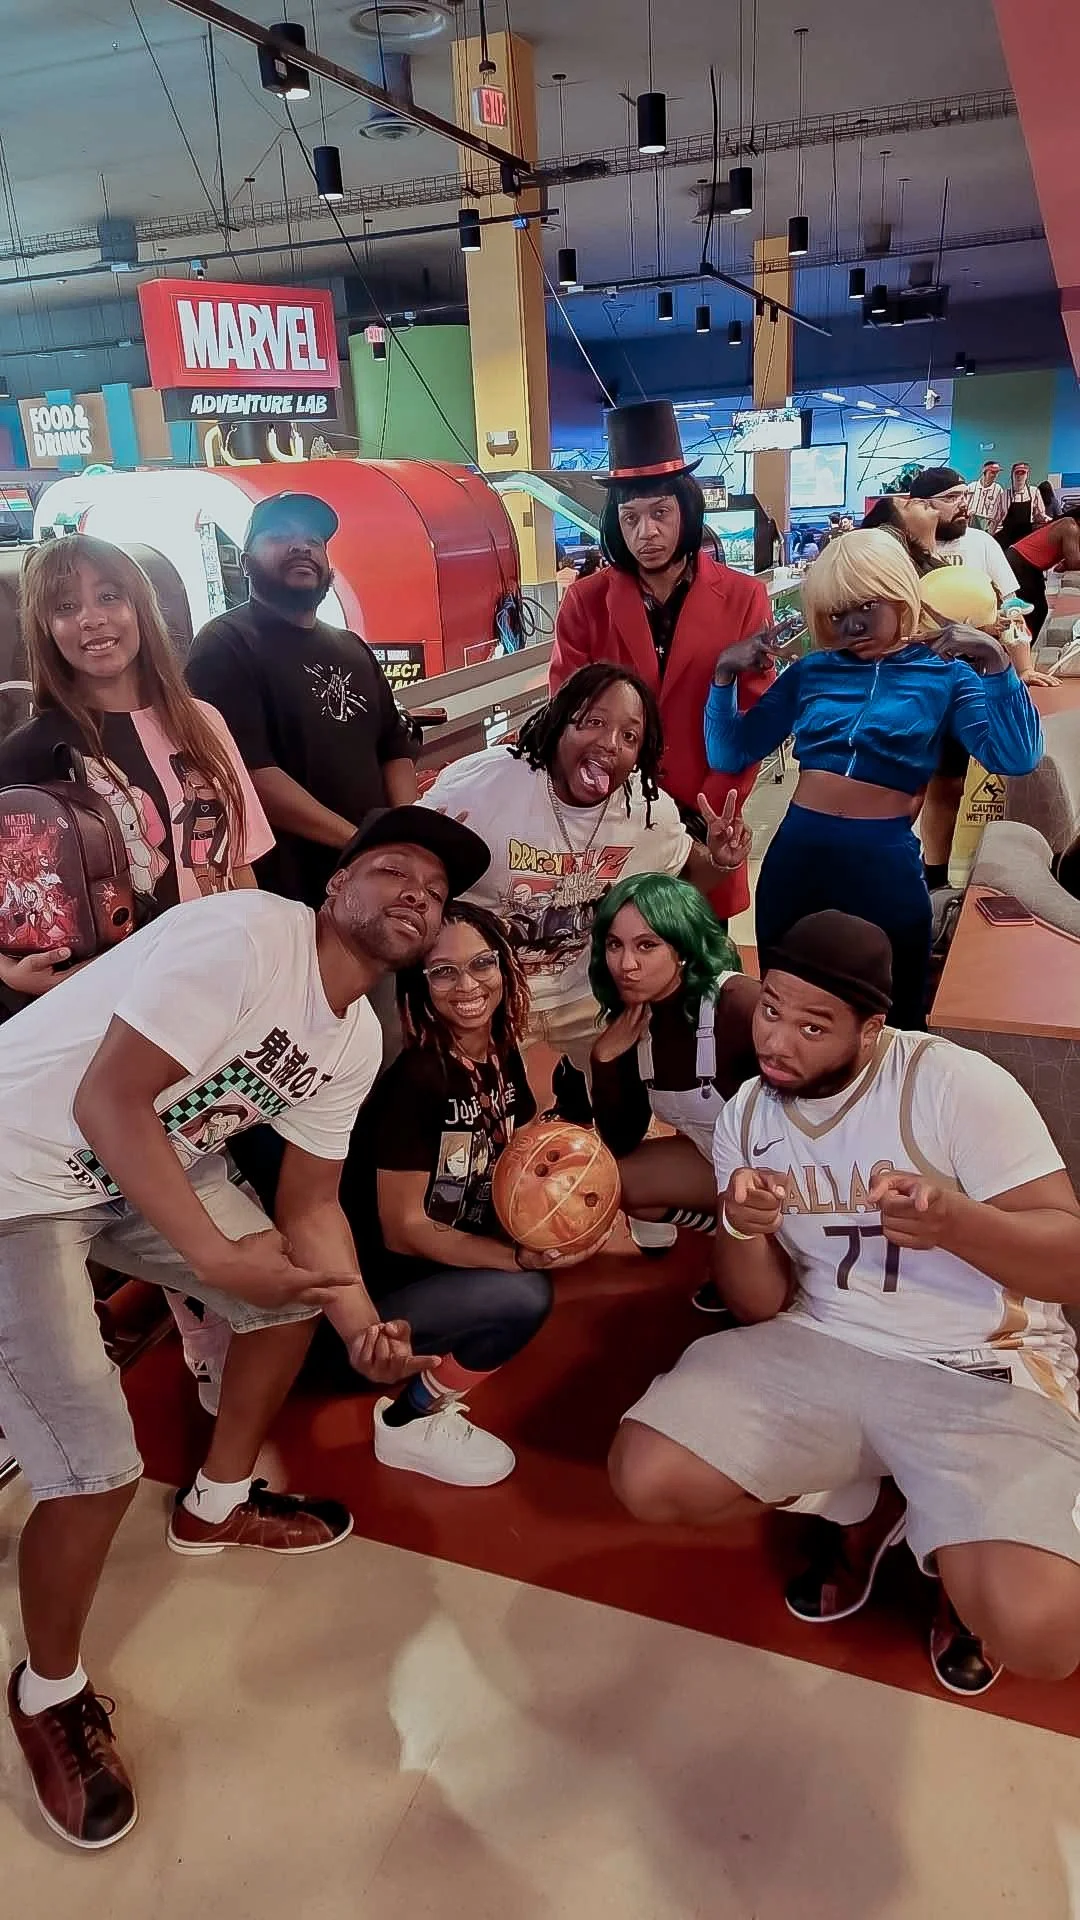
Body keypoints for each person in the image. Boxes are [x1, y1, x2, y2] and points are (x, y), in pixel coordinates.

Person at [0, 803, 489, 1849]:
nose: (418, 895)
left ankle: (215, 1508)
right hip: (21, 1173)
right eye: (395, 869)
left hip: (140, 1169)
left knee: (289, 1300)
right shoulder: (248, 936)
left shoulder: (353, 1038)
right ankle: (47, 1694)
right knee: (94, 1468)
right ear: (336, 882)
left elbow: (313, 1214)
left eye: (438, 894)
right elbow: (109, 1102)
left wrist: (362, 1329)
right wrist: (223, 1260)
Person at [610, 909, 1080, 1695]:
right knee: (648, 1475)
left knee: (1041, 1634)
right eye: (770, 1010)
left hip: (980, 1365)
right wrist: (740, 1224)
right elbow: (758, 1306)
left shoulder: (951, 1084)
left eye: (813, 1025)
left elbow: (1069, 1263)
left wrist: (955, 1222)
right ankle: (860, 1509)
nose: (777, 1043)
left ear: (871, 1028)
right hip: (823, 1342)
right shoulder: (748, 1116)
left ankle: (949, 1550)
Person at [704, 530, 1043, 1028]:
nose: (852, 625)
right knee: (784, 1005)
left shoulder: (945, 675)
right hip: (797, 853)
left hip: (881, 859)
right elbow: (729, 750)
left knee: (896, 1010)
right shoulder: (813, 670)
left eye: (866, 604)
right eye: (836, 613)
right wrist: (723, 677)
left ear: (898, 592)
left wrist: (996, 664)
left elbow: (1017, 757)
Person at [422, 662, 751, 1071]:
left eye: (630, 736)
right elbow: (409, 861)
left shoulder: (647, 812)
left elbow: (683, 875)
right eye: (594, 721)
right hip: (489, 994)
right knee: (475, 1124)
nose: (611, 742)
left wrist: (720, 860)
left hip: (588, 992)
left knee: (629, 1112)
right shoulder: (481, 788)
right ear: (560, 722)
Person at [0, 535, 272, 1013]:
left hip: (225, 983)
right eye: (66, 606)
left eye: (109, 596)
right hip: (111, 1007)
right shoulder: (29, 753)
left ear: (140, 607)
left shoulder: (204, 721)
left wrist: (268, 964)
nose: (91, 618)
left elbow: (240, 864)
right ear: (45, 629)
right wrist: (7, 970)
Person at [343, 902, 556, 1487]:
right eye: (442, 972)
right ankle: (405, 1419)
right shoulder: (417, 1080)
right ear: (419, 984)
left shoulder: (499, 1053)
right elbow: (403, 1228)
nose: (467, 986)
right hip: (372, 1309)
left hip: (434, 1271)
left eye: (482, 963)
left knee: (539, 1268)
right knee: (524, 1295)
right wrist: (513, 1258)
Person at [549, 401, 773, 926]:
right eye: (630, 518)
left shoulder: (744, 597)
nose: (646, 532)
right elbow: (566, 712)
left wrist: (706, 812)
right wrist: (627, 806)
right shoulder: (584, 601)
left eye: (660, 513)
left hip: (708, 819)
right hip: (614, 823)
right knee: (622, 965)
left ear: (686, 512)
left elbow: (755, 719)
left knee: (703, 971)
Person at [185, 491, 418, 911]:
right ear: (245, 562)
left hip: (373, 880)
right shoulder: (225, 644)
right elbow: (248, 776)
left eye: (313, 539)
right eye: (280, 535)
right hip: (290, 894)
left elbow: (393, 747)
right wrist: (361, 842)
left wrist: (408, 834)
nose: (301, 546)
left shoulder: (352, 648)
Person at [588, 872, 758, 1305]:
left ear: (681, 947)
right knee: (613, 1181)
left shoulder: (740, 1005)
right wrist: (605, 1060)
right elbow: (622, 1141)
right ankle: (726, 1230)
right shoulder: (631, 1021)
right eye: (614, 945)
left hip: (786, 1175)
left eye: (647, 945)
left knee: (749, 1302)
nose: (626, 964)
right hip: (717, 1164)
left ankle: (770, 1244)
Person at [907, 467, 1020, 599]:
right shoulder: (902, 547)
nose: (964, 504)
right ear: (921, 504)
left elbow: (1009, 601)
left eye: (965, 496)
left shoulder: (982, 542)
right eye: (951, 497)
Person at [1006, 510, 1080, 639]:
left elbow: (1063, 566)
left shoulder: (1069, 525)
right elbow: (1073, 563)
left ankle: (1021, 649)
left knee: (1037, 611)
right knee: (1031, 612)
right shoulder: (1070, 527)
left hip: (1027, 565)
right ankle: (1018, 651)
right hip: (1021, 564)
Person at [998, 460, 1049, 547]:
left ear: (1027, 475)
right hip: (1007, 536)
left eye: (1023, 473)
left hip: (1025, 536)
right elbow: (996, 518)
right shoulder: (1004, 494)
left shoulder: (1034, 492)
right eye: (1017, 473)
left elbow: (1040, 514)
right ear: (1012, 475)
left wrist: (1047, 519)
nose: (1019, 476)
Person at [965, 459, 1005, 534]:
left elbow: (1000, 510)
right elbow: (964, 505)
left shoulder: (998, 489)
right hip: (970, 524)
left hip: (987, 525)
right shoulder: (972, 486)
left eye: (997, 472)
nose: (995, 475)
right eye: (992, 472)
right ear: (984, 472)